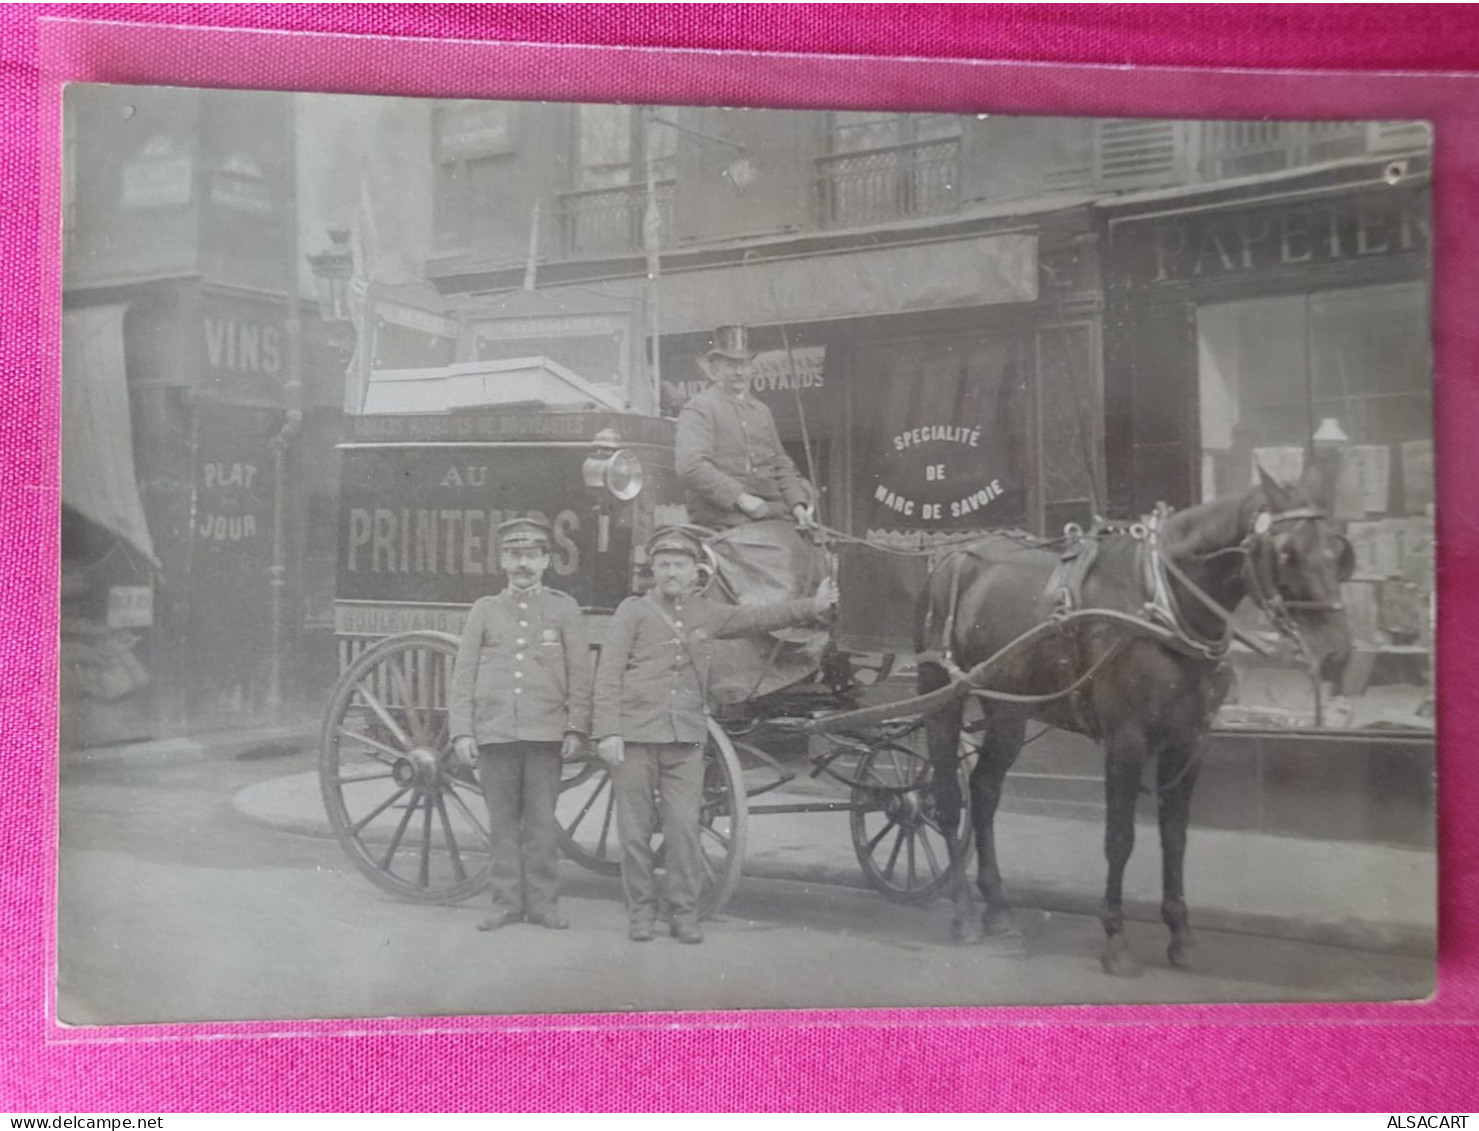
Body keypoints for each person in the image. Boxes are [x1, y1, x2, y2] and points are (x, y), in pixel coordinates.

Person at [592, 525, 837, 944]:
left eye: (679, 565)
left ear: (695, 572)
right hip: (635, 737)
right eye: (663, 565)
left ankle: (684, 913)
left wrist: (812, 606)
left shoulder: (706, 613)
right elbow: (609, 673)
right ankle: (641, 913)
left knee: (684, 828)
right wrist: (608, 732)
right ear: (653, 570)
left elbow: (756, 618)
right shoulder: (632, 612)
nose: (670, 572)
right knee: (633, 833)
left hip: (685, 739)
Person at [449, 516, 593, 933]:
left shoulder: (563, 609)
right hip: (495, 734)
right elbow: (464, 674)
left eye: (531, 556)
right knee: (502, 824)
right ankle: (506, 903)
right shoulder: (484, 611)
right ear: (503, 561)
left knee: (542, 824)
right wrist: (462, 731)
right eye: (514, 556)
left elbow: (580, 675)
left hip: (545, 733)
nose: (522, 565)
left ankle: (545, 905)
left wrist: (576, 728)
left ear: (547, 560)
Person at [675, 324, 815, 531]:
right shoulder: (700, 407)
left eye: (745, 364)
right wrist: (740, 497)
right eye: (731, 365)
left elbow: (780, 464)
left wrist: (798, 505)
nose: (739, 372)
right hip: (725, 516)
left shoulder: (761, 410)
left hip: (774, 513)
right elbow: (691, 467)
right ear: (715, 369)